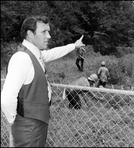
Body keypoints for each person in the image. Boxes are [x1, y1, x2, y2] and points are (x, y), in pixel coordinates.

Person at [1, 15, 85, 147]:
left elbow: (54, 53)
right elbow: (6, 99)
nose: (49, 36)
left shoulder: (35, 54)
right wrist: (13, 122)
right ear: (30, 34)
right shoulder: (22, 58)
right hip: (28, 126)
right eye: (44, 32)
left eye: (48, 31)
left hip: (35, 123)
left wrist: (74, 46)